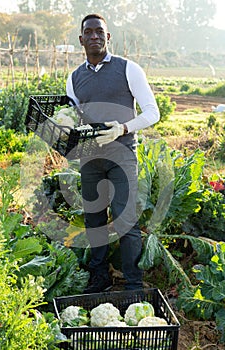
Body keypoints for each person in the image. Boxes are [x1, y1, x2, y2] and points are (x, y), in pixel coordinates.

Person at [66, 13, 160, 293]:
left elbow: (153, 113)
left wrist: (122, 128)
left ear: (108, 38)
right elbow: (74, 117)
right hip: (90, 159)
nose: (94, 36)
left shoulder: (128, 69)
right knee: (94, 222)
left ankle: (132, 284)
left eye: (100, 32)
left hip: (122, 156)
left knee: (125, 222)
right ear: (81, 39)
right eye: (89, 32)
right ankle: (100, 278)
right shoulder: (74, 78)